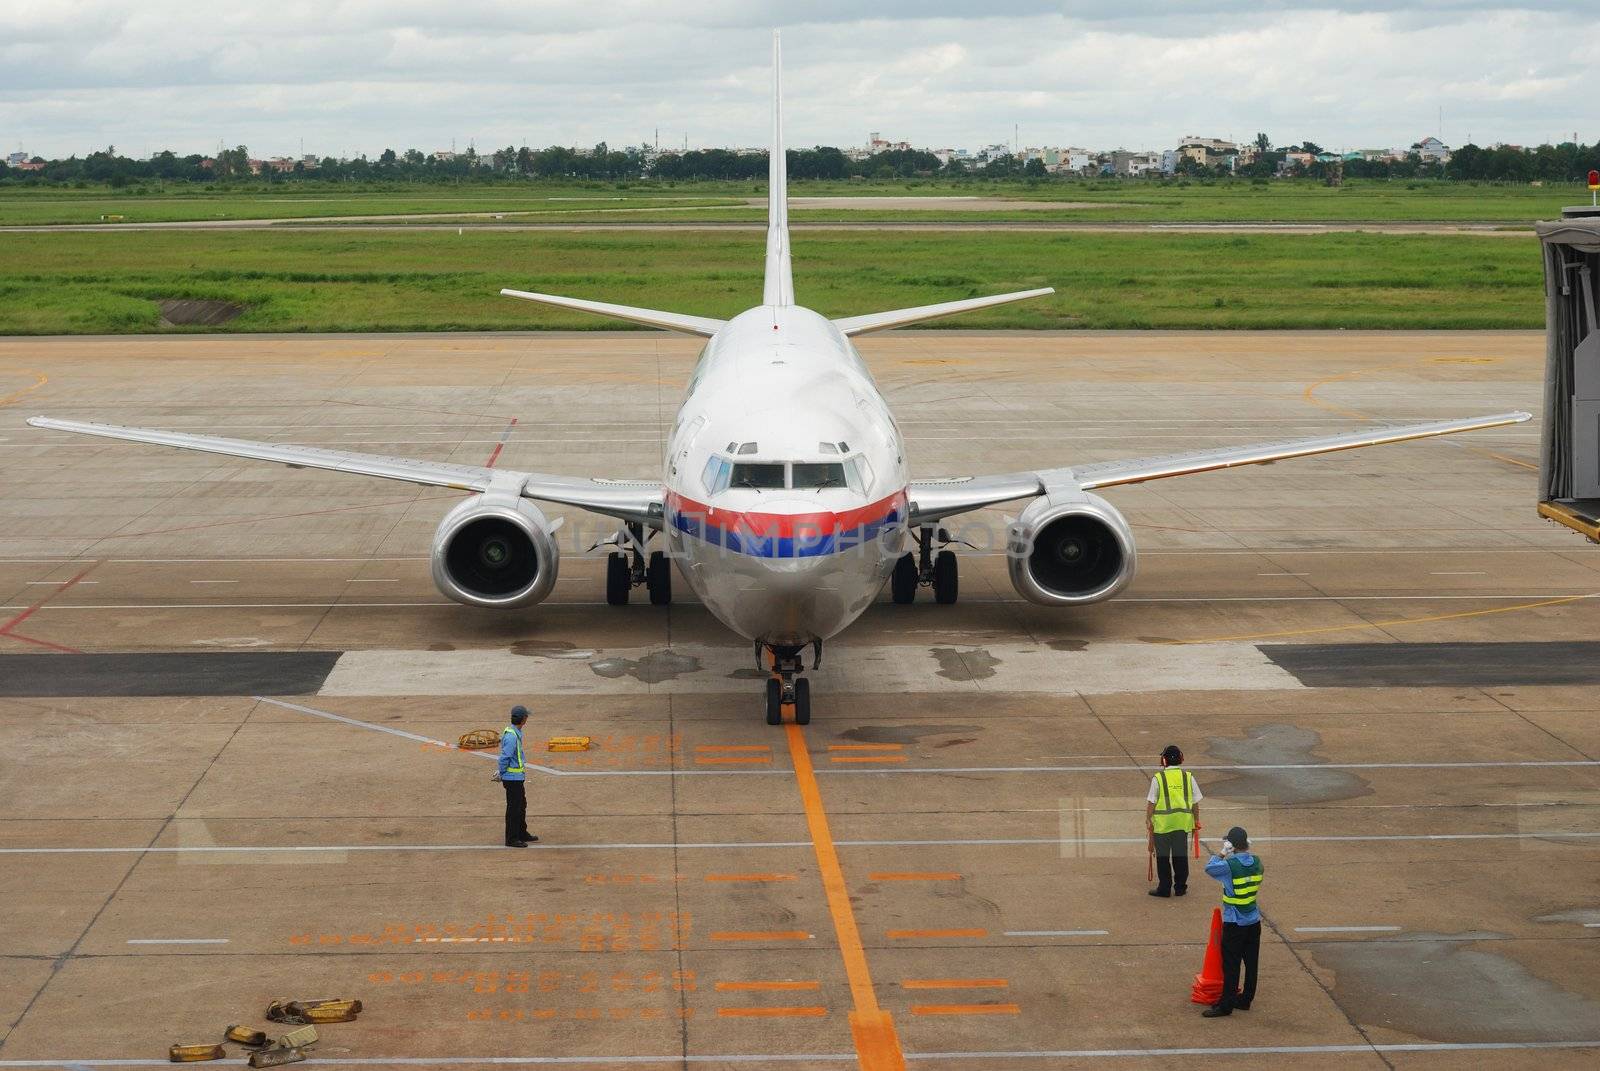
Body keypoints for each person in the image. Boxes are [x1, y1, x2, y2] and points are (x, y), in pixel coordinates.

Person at [1202, 825, 1263, 1017]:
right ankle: (1246, 999)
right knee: (1251, 962)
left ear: (1231, 844)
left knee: (1231, 964)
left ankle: (1225, 1005)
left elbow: (1210, 868)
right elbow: (1248, 864)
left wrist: (1222, 852)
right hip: (1253, 920)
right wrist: (1239, 850)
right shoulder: (1258, 862)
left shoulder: (1229, 865)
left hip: (1234, 921)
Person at [1146, 745, 1201, 897]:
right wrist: (1196, 821)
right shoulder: (1188, 777)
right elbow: (1195, 802)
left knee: (1163, 858)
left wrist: (1148, 820)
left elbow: (1152, 802)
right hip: (1182, 825)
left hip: (1163, 826)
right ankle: (1180, 888)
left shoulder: (1158, 778)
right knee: (1180, 856)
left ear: (1163, 760)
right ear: (1181, 759)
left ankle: (1164, 888)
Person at [495, 706, 538, 847]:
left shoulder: (515, 732)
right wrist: (501, 773)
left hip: (517, 777)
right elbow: (505, 757)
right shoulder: (512, 736)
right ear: (523, 719)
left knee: (521, 805)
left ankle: (521, 833)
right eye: (526, 716)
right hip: (512, 778)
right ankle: (512, 839)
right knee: (514, 808)